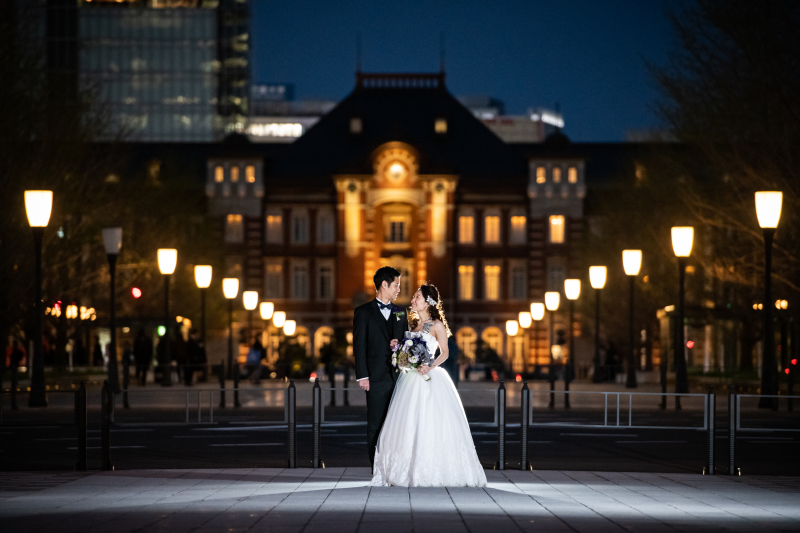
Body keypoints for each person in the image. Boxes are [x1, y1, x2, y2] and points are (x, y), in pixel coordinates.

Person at [369, 283, 486, 487]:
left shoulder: (436, 325)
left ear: (428, 302)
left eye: (417, 297)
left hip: (428, 377)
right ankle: (404, 469)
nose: (413, 300)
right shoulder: (412, 325)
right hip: (410, 378)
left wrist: (430, 365)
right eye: (413, 297)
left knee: (430, 422)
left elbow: (445, 352)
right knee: (407, 423)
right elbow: (406, 352)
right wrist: (399, 351)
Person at [354, 266, 408, 468]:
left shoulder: (400, 312)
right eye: (396, 285)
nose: (398, 290)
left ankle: (394, 466)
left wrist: (400, 346)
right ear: (384, 285)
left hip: (398, 379)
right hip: (375, 378)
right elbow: (359, 346)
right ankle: (376, 467)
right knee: (375, 424)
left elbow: (406, 345)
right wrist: (363, 376)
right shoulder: (363, 312)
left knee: (396, 425)